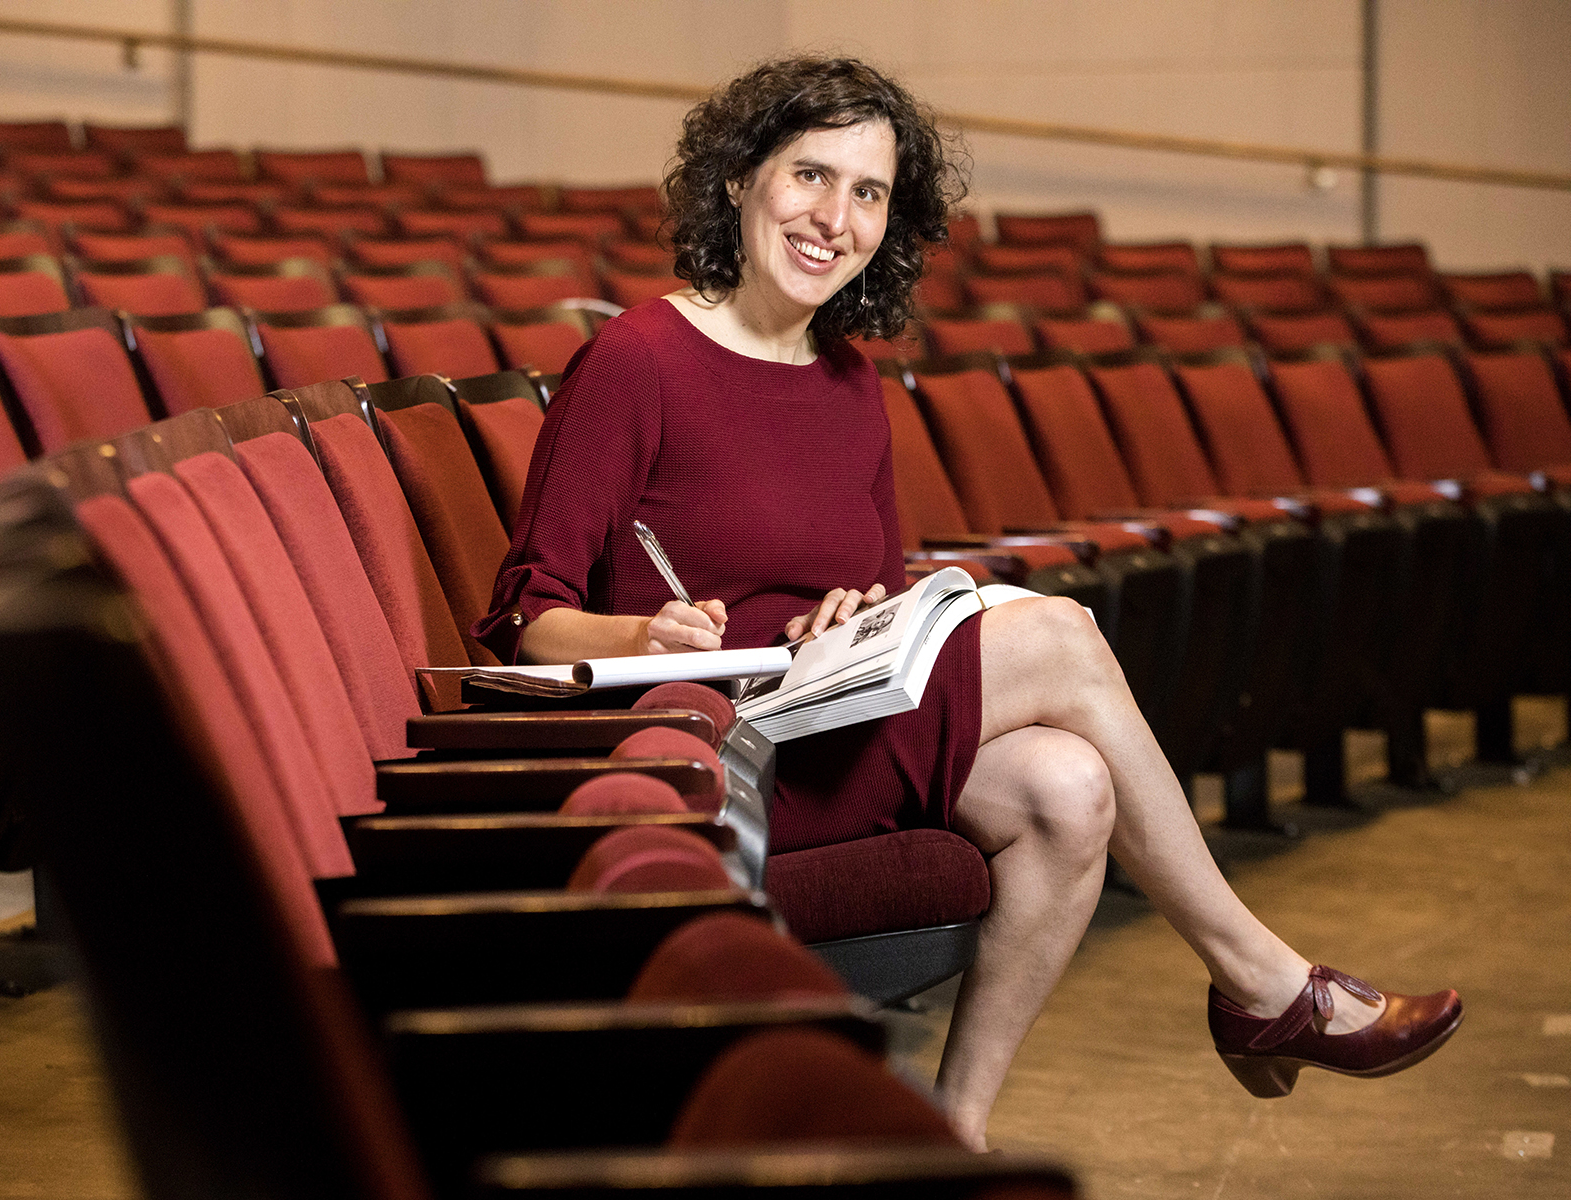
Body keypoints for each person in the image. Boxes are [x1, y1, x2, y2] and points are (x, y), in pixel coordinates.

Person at [472, 56, 1461, 1150]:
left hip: (823, 718)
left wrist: (854, 613)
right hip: (710, 748)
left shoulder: (850, 383)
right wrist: (640, 629)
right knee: (1065, 637)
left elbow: (855, 584)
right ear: (743, 178)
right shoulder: (638, 358)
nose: (832, 217)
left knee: (1069, 788)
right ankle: (1260, 979)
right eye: (809, 175)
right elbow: (531, 622)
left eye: (868, 193)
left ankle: (952, 1137)